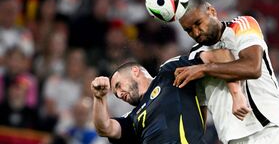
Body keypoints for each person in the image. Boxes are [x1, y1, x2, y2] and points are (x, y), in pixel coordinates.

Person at [173, 0, 279, 144]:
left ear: (212, 11)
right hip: (231, 140)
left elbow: (252, 67)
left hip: (269, 132)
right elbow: (201, 107)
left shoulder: (242, 25)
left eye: (198, 23)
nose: (196, 33)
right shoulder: (194, 56)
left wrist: (205, 68)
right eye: (189, 30)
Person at [91, 52, 238, 144]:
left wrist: (237, 95)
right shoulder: (132, 118)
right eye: (116, 94)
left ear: (135, 71)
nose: (119, 94)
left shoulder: (168, 73)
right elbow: (105, 128)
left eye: (118, 85)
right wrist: (99, 98)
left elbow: (220, 55)